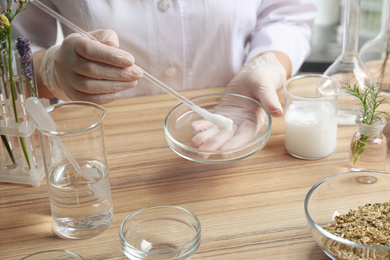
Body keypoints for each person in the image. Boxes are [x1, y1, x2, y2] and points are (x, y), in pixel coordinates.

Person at [11, 0, 317, 151]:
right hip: (100, 143)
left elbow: (287, 13)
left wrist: (266, 64)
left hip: (234, 123)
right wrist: (49, 70)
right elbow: (12, 41)